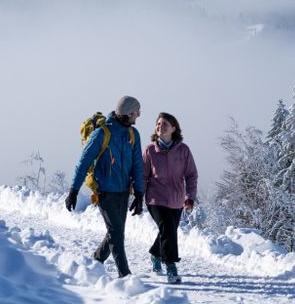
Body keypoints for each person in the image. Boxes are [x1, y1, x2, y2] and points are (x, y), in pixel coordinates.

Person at [65, 95, 145, 278]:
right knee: (116, 232)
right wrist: (73, 191)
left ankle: (96, 260)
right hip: (105, 192)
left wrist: (139, 193)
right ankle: (125, 275)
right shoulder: (102, 134)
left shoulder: (133, 134)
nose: (138, 116)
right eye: (137, 112)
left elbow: (137, 165)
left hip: (123, 192)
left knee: (115, 233)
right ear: (128, 113)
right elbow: (83, 162)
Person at [143, 111, 198, 284]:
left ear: (174, 128)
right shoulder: (150, 150)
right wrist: (137, 196)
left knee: (168, 231)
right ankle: (171, 267)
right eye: (158, 124)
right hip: (155, 199)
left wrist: (189, 197)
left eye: (165, 124)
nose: (161, 126)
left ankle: (155, 253)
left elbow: (191, 175)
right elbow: (143, 176)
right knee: (167, 228)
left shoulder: (183, 150)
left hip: (176, 200)